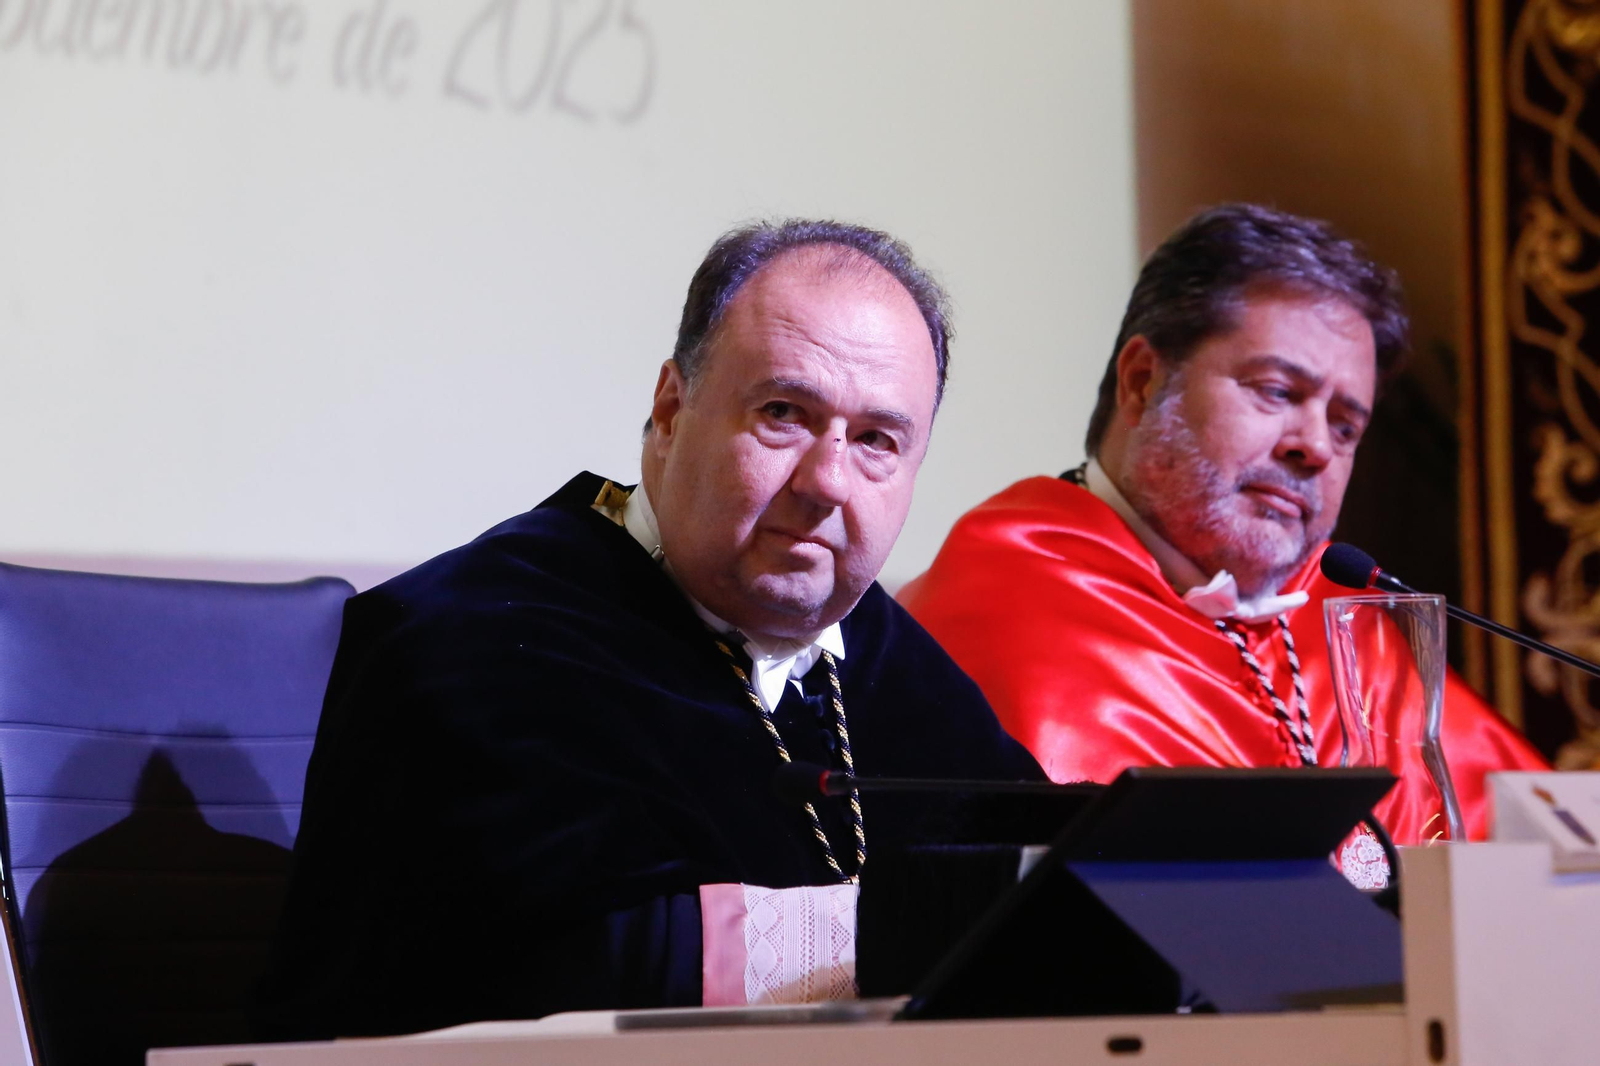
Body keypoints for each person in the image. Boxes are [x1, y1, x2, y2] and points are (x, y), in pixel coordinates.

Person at [257, 220, 1043, 1039]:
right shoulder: (472, 635)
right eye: (784, 413)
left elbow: (1055, 878)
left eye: (876, 440)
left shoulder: (881, 653)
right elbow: (586, 959)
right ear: (672, 409)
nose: (826, 482)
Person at [899, 203, 1545, 861]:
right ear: (1143, 383)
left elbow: (1547, 844)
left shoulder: (1348, 626)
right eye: (1275, 391)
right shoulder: (1003, 605)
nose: (1316, 446)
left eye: (1346, 425)